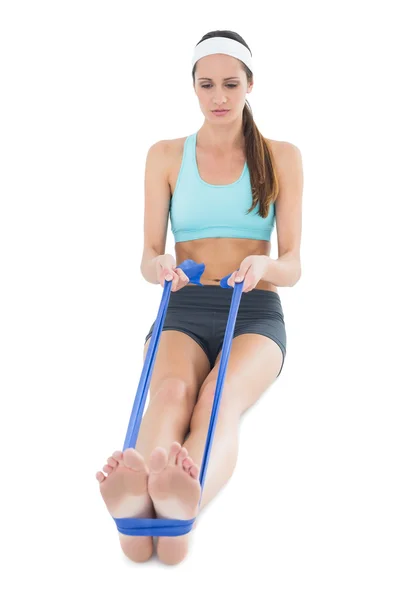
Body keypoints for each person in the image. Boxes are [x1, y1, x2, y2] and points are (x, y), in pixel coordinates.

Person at [95, 29, 303, 566]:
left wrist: (264, 265)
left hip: (253, 312)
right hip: (182, 308)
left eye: (231, 84)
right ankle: (142, 503)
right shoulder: (165, 156)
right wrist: (159, 264)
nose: (219, 96)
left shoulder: (281, 157)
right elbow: (146, 256)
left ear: (250, 85)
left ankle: (178, 508)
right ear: (192, 87)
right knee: (167, 394)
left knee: (218, 401)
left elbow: (293, 265)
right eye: (207, 84)